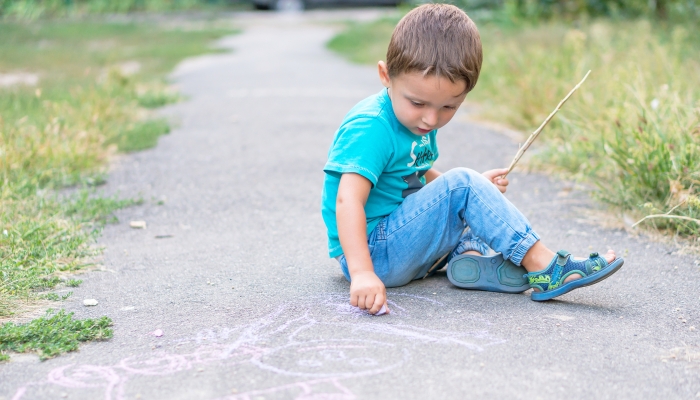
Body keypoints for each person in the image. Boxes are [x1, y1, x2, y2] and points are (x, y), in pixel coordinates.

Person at [320, 4, 624, 315]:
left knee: (474, 197)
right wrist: (362, 273)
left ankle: (468, 261)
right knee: (462, 184)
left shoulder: (417, 119)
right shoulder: (372, 126)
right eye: (418, 102)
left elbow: (416, 175)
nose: (430, 118)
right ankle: (545, 266)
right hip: (374, 251)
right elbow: (347, 201)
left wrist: (479, 191)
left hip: (400, 241)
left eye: (448, 108)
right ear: (386, 75)